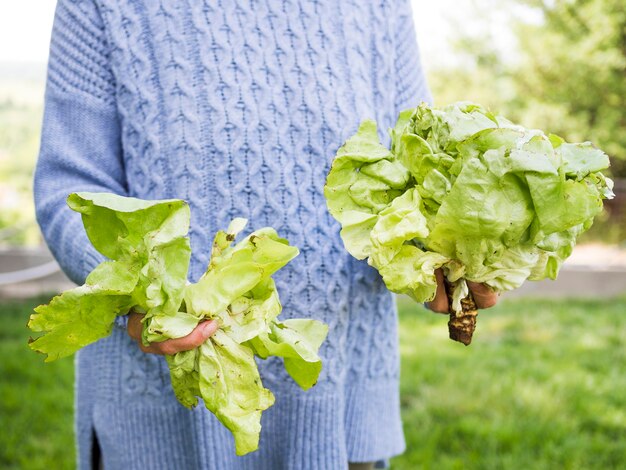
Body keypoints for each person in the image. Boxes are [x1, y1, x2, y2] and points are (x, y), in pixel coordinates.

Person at [34, 1, 498, 469]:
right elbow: (68, 186)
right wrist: (143, 297)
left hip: (339, 400)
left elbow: (411, 165)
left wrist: (442, 256)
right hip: (164, 415)